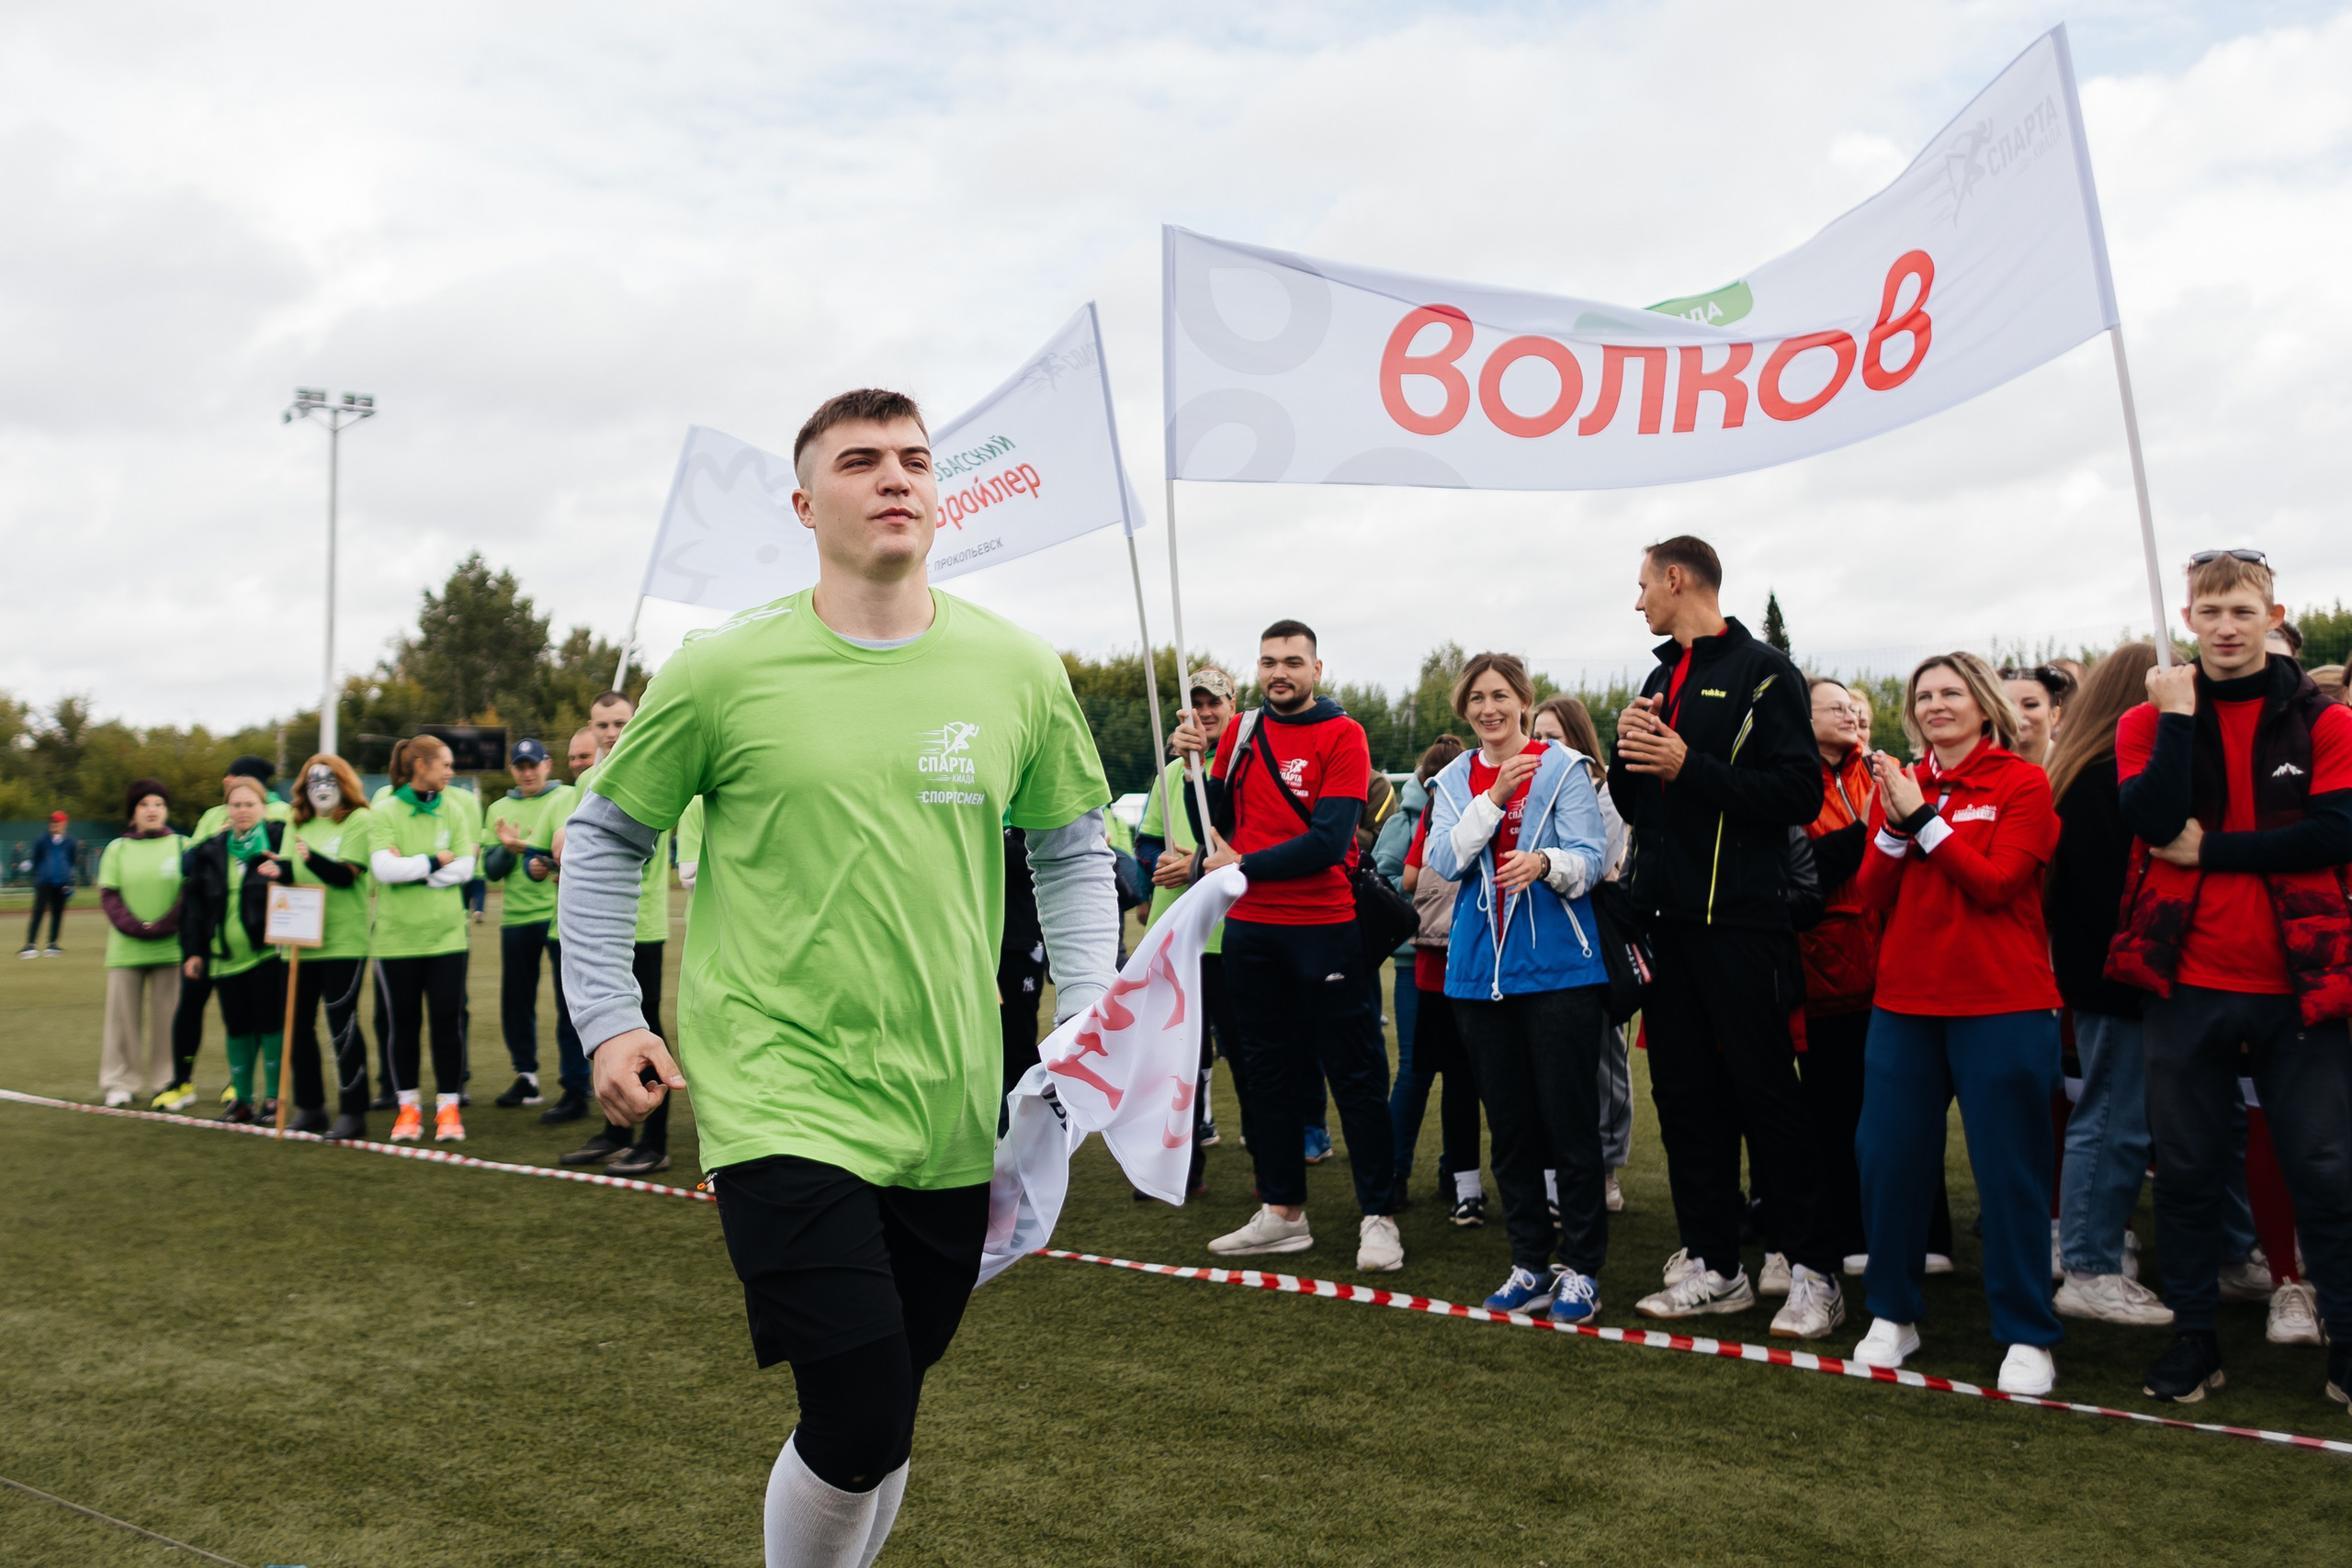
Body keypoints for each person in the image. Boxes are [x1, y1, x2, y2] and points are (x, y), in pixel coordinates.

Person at [560, 388, 1116, 1567]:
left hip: (951, 1099)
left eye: (914, 460)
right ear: (807, 504)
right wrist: (610, 1019)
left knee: (888, 1404)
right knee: (861, 1407)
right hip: (776, 1090)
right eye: (860, 462)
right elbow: (605, 837)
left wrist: (1089, 1003)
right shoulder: (721, 670)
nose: (895, 478)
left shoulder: (1016, 668)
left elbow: (1071, 847)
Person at [2109, 549, 2352, 1411]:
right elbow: (2144, 819)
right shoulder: (2151, 717)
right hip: (2186, 977)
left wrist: (2214, 850)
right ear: (2188, 619)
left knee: (2323, 1167)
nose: (2224, 627)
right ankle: (2195, 1341)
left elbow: (2336, 832)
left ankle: (2345, 1346)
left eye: (2241, 610)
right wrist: (2177, 719)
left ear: (2272, 613)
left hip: (2300, 982)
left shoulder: (2322, 718)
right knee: (2185, 1172)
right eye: (2209, 611)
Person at [1606, 536, 1839, 1337]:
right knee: (1685, 1101)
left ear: (1678, 580)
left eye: (1643, 586)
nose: (1638, 602)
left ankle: (1811, 1270)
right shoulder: (1656, 674)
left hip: (1742, 926)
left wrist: (1685, 763)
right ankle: (1715, 1265)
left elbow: (1799, 791)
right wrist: (1628, 757)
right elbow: (1644, 809)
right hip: (1666, 932)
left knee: (1768, 1096)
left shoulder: (1766, 670)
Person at [1849, 652, 2066, 1395]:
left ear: (1982, 703)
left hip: (2002, 1004)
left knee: (2010, 1173)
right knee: (1888, 1162)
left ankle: (2028, 1332)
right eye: (1925, 695)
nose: (1937, 704)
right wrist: (1899, 820)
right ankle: (1893, 1313)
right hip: (1905, 1003)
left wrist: (1922, 820)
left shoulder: (2022, 782)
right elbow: (1871, 892)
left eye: (1952, 692)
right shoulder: (1903, 783)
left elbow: (1999, 885)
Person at [1176, 620, 1402, 1273]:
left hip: (1325, 928)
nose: (1281, 672)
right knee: (1267, 1079)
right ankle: (1282, 1213)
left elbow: (1330, 841)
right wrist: (1192, 760)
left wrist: (1240, 861)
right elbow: (1210, 830)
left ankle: (1378, 1217)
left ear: (1317, 668)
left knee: (1354, 1078)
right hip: (1250, 931)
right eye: (1270, 661)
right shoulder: (1242, 733)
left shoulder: (1344, 734)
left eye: (1293, 662)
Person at [1424, 653, 1612, 1323]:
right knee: (1508, 1129)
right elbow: (1443, 860)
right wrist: (1495, 797)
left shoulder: (1565, 768)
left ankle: (1583, 1269)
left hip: (1560, 971)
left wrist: (1546, 862)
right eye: (1476, 698)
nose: (1488, 708)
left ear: (1524, 701)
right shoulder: (1453, 779)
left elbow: (1593, 859)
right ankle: (1530, 1263)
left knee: (1569, 1125)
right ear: (1464, 708)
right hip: (1478, 976)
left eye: (1500, 695)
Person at [2038, 643, 2175, 1326]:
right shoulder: (2104, 778)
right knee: (2113, 1118)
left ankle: (2090, 1255)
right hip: (2117, 979)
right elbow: (2101, 897)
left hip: (2105, 975)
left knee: (2114, 1115)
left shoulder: (2088, 770)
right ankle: (2089, 1264)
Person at [557, 691, 679, 1178]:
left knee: (642, 1027)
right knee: (601, 1031)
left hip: (640, 925)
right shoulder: (588, 778)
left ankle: (655, 1140)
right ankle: (616, 1132)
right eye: (601, 724)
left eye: (620, 722)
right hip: (596, 932)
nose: (610, 732)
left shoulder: (657, 767)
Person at [1137, 667, 1241, 1194]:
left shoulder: (1244, 766)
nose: (1204, 713)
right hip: (1176, 935)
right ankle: (1178, 1170)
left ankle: (1274, 1176)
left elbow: (1242, 845)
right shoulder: (1168, 774)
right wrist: (1159, 863)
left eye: (1213, 703)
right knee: (1177, 1055)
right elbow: (1146, 845)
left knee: (1247, 1055)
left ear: (1232, 706)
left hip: (1233, 934)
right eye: (1195, 704)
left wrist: (1196, 860)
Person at [1794, 678, 1879, 1274]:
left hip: (1886, 971)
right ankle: (1843, 1233)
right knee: (1832, 1113)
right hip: (1822, 973)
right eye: (1835, 706)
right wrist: (1869, 829)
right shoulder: (1794, 783)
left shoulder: (1871, 772)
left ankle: (1906, 1234)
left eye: (1854, 706)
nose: (1850, 713)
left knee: (1889, 1110)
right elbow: (1804, 868)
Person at [1534, 694, 1631, 1213]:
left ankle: (1607, 1171)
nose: (1543, 745)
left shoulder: (1606, 794)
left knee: (1603, 1061)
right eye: (1538, 735)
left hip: (1594, 945)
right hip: (1546, 948)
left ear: (1579, 742)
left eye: (1554, 736)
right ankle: (1559, 1173)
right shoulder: (1528, 791)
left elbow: (1595, 866)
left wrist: (1546, 864)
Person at [158, 756, 288, 1111]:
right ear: (226, 809)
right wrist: (194, 951)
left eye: (250, 804)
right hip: (225, 957)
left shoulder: (280, 840)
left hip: (267, 954)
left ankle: (275, 1097)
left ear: (264, 807)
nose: (242, 810)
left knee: (271, 1024)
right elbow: (195, 906)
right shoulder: (211, 849)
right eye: (236, 805)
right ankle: (243, 1098)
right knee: (237, 1027)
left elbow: (298, 883)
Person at [370, 735, 478, 1143]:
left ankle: (448, 1108)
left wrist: (412, 869)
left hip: (447, 938)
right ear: (420, 765)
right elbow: (383, 869)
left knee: (447, 1023)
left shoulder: (457, 806)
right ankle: (408, 1110)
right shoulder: (383, 811)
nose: (451, 772)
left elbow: (466, 867)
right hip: (396, 941)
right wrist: (435, 861)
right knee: (404, 1024)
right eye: (445, 764)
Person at [1395, 737, 1483, 1223]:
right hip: (1440, 962)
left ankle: (1455, 1178)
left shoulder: (1427, 811)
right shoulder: (1430, 814)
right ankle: (1447, 1178)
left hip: (1436, 959)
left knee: (1446, 1076)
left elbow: (1409, 878)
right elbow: (1406, 876)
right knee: (1445, 1075)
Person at [280, 755, 384, 1138]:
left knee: (342, 1023)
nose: (321, 787)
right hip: (300, 940)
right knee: (298, 1027)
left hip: (342, 941)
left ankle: (353, 1111)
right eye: (312, 781)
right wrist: (275, 867)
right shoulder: (297, 822)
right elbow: (295, 872)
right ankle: (310, 1107)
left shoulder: (359, 819)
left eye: (328, 780)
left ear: (343, 783)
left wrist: (312, 857)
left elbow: (346, 875)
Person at [483, 739, 578, 1111]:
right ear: (512, 770)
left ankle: (577, 1082)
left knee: (568, 1003)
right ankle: (526, 1076)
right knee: (517, 1002)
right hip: (517, 918)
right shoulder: (498, 809)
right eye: (520, 766)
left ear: (547, 765)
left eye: (533, 765)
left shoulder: (566, 797)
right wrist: (508, 850)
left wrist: (535, 855)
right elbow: (490, 872)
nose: (527, 772)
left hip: (559, 917)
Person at [96, 782, 187, 1107]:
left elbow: (189, 893)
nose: (152, 810)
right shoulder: (116, 849)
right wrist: (137, 927)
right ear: (133, 812)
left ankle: (168, 1082)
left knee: (170, 1020)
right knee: (122, 1021)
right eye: (145, 804)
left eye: (159, 804)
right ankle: (120, 1081)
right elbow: (110, 895)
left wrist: (164, 926)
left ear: (166, 810)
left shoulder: (182, 846)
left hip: (171, 948)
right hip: (126, 949)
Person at [22, 810, 78, 957]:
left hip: (61, 883)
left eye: (57, 822)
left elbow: (71, 861)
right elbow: (36, 859)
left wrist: (69, 881)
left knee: (58, 913)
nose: (53, 825)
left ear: (64, 824)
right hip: (44, 882)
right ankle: (30, 944)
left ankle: (52, 944)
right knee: (38, 912)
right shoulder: (42, 840)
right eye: (52, 822)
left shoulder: (70, 842)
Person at [2001, 663, 2075, 766]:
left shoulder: (2074, 767)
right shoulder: (1984, 766)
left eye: (2030, 705)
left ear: (2054, 715)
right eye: (2007, 705)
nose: (2016, 713)